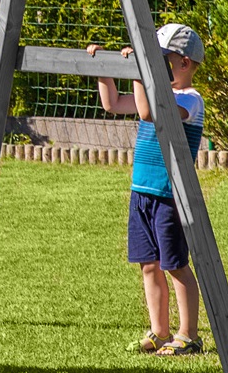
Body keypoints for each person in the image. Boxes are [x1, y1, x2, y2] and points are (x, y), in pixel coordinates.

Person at [87, 23, 205, 355]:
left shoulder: (190, 100)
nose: (154, 66)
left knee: (175, 264)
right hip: (142, 192)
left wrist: (139, 73)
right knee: (149, 264)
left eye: (159, 59)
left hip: (170, 195)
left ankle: (188, 333)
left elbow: (147, 111)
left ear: (183, 62)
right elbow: (112, 104)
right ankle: (159, 331)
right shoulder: (157, 91)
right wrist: (105, 69)